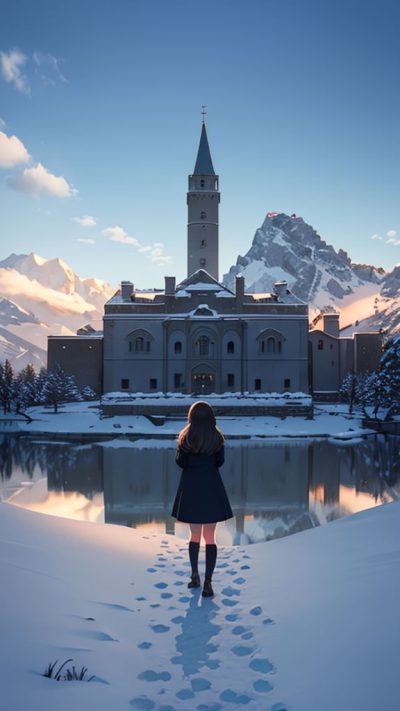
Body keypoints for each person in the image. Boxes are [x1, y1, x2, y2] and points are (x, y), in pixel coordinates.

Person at [171, 401, 233, 597]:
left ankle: (194, 576)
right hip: (211, 488)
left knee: (194, 537)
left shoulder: (186, 438)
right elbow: (219, 462)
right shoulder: (217, 438)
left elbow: (180, 463)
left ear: (191, 417)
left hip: (191, 489)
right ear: (211, 418)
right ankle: (208, 583)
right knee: (210, 539)